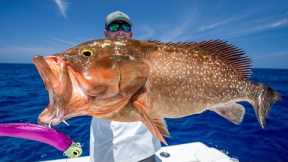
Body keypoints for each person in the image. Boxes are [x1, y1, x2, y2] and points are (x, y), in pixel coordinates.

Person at [90, 10, 161, 162]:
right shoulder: (92, 62)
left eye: (125, 27)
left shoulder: (149, 58)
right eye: (115, 27)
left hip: (142, 148)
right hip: (105, 149)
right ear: (106, 33)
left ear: (131, 34)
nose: (120, 31)